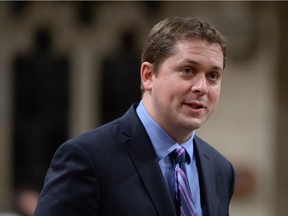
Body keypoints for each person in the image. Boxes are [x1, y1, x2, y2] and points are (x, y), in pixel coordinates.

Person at [34, 16, 235, 216]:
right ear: (148, 75)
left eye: (213, 76)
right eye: (188, 70)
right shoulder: (88, 158)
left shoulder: (220, 169)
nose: (201, 88)